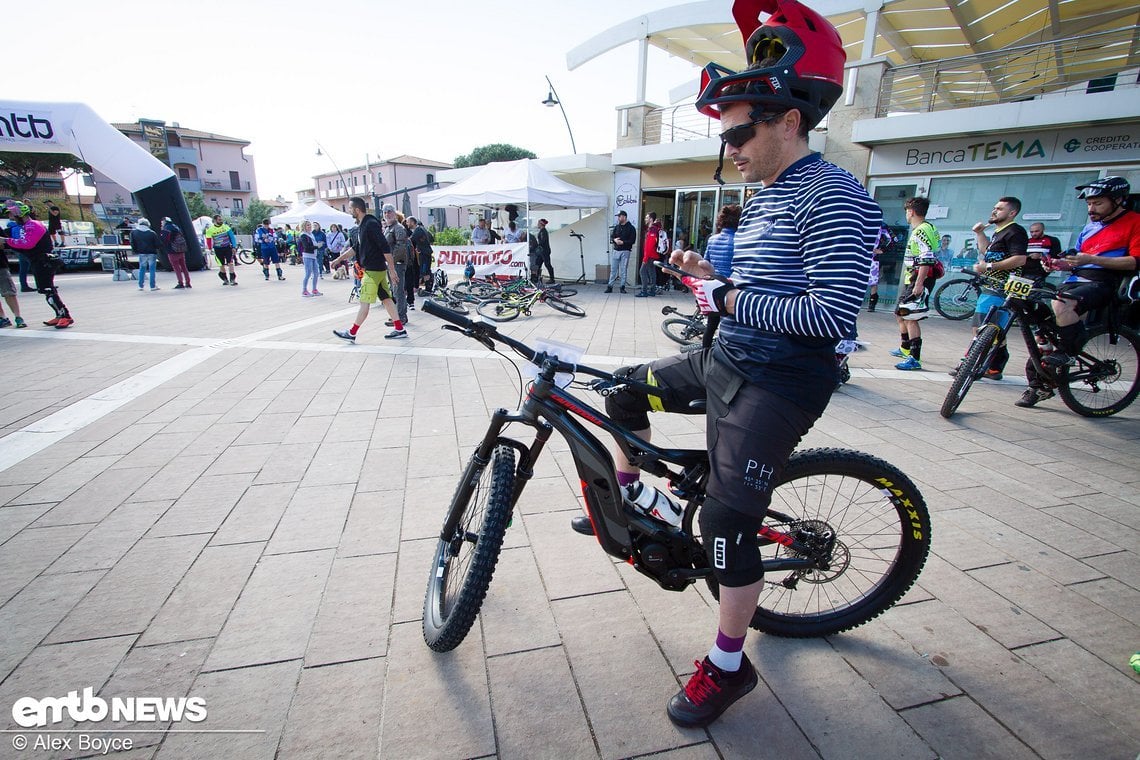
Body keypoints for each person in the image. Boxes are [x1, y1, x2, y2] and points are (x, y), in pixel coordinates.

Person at [569, 0, 879, 728]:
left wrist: (730, 296)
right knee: (621, 392)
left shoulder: (835, 197)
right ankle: (634, 498)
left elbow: (832, 318)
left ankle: (730, 666)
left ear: (789, 122)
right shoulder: (771, 195)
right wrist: (704, 273)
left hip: (780, 380)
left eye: (739, 131)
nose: (728, 146)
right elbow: (752, 290)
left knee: (725, 522)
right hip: (728, 355)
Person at [1018, 177, 1140, 407]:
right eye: (1088, 204)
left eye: (1098, 204)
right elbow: (1078, 259)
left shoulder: (1135, 222)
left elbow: (1135, 261)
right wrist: (1059, 264)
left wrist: (1091, 259)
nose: (1091, 209)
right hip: (1076, 279)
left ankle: (1069, 351)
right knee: (1040, 327)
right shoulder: (1091, 226)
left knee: (1062, 304)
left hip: (1105, 282)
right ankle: (1040, 385)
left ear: (1118, 200)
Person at [953, 196, 1028, 380]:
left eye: (1000, 209)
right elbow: (988, 252)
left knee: (981, 325)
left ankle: (969, 363)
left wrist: (988, 267)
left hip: (1002, 286)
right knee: (995, 328)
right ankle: (995, 365)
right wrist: (979, 233)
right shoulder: (998, 232)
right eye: (994, 207)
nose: (994, 211)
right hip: (994, 285)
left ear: (1012, 213)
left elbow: (1020, 259)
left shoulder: (1015, 231)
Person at [332, 197, 406, 342]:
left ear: (357, 210)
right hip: (376, 270)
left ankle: (352, 333)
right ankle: (399, 328)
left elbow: (384, 247)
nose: (349, 211)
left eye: (350, 208)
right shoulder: (363, 225)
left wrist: (392, 269)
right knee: (386, 299)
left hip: (373, 271)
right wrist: (339, 259)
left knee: (364, 302)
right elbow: (356, 248)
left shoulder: (370, 224)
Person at [2, 199, 72, 327]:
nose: (10, 217)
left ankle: (65, 315)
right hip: (38, 261)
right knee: (45, 290)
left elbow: (28, 244)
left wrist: (7, 241)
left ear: (19, 215)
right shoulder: (26, 226)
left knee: (48, 289)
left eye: (11, 215)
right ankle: (59, 314)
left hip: (44, 261)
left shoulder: (33, 225)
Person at [892, 197, 939, 370]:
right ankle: (905, 347)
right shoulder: (927, 228)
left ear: (911, 212)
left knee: (910, 317)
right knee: (900, 313)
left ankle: (914, 357)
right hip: (912, 278)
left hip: (918, 278)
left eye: (906, 211)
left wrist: (919, 283)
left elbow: (927, 259)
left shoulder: (922, 230)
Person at [381, 204, 411, 321]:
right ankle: (398, 316)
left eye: (389, 212)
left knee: (398, 290)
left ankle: (401, 316)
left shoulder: (398, 228)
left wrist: (391, 263)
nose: (387, 214)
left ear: (394, 213)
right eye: (385, 212)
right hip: (392, 264)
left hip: (397, 264)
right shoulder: (389, 228)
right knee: (395, 290)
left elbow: (400, 247)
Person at [704, 204, 742, 278]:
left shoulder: (712, 239)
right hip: (732, 284)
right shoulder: (740, 241)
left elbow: (705, 263)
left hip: (714, 281)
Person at [606, 210, 637, 293]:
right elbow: (612, 237)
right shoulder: (617, 227)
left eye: (620, 216)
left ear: (624, 217)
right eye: (618, 217)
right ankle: (610, 286)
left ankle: (622, 287)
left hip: (625, 251)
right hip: (616, 250)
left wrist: (623, 242)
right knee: (613, 270)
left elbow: (632, 240)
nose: (618, 218)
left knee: (623, 270)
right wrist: (615, 240)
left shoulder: (631, 228)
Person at [204, 214, 238, 286]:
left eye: (221, 219)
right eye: (219, 220)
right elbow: (208, 240)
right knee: (221, 264)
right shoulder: (210, 230)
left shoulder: (226, 227)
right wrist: (210, 248)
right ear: (215, 221)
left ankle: (232, 278)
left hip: (227, 247)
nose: (221, 221)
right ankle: (224, 278)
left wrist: (234, 246)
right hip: (218, 249)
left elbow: (232, 237)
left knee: (230, 263)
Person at [130, 218, 163, 291]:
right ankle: (152, 286)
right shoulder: (152, 233)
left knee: (142, 269)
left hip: (141, 253)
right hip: (151, 252)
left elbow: (132, 243)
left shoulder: (134, 233)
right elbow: (158, 244)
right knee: (152, 270)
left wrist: (135, 250)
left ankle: (140, 286)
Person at [0, 235, 26, 328]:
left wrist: (2, 243)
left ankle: (18, 317)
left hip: (1, 266)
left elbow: (6, 242)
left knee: (9, 292)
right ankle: (2, 318)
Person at [160, 217, 192, 289]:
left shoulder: (166, 229)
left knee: (176, 267)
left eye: (162, 222)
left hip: (172, 250)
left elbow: (164, 240)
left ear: (164, 221)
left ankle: (180, 282)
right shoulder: (176, 227)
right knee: (184, 266)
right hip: (181, 249)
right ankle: (188, 282)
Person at [636, 212, 663, 297]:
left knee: (642, 271)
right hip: (654, 255)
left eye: (647, 218)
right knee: (652, 272)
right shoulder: (655, 229)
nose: (645, 219)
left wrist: (645, 258)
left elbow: (649, 245)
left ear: (651, 219)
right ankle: (652, 290)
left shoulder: (652, 230)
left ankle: (644, 291)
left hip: (650, 255)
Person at [867, 225, 890, 312]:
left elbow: (892, 239)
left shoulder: (882, 226)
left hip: (873, 258)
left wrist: (882, 250)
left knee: (873, 282)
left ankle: (872, 304)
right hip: (859, 256)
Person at [298, 221, 321, 297]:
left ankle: (314, 289)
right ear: (304, 226)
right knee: (308, 273)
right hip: (307, 256)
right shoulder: (303, 235)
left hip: (313, 255)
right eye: (308, 225)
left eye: (310, 225)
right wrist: (317, 246)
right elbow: (306, 247)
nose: (309, 226)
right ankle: (304, 290)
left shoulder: (311, 234)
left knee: (316, 273)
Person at [533, 218, 554, 283]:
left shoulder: (543, 231)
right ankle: (537, 278)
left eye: (538, 223)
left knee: (547, 264)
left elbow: (542, 241)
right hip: (541, 251)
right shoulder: (542, 231)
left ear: (541, 224)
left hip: (545, 251)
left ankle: (552, 279)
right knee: (538, 264)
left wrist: (537, 245)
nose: (537, 224)